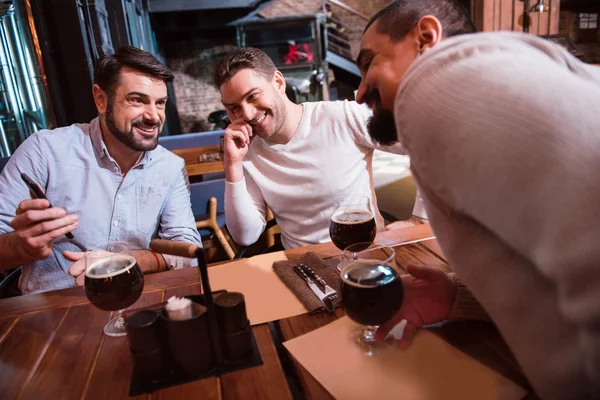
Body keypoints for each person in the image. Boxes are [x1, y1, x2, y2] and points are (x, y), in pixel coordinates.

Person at [357, 1, 600, 399]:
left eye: (369, 63)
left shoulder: (436, 82)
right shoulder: (503, 74)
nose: (361, 88)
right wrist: (461, 297)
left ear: (426, 38)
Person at [0, 46, 202, 294]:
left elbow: (188, 251)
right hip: (54, 309)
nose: (153, 116)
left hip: (135, 298)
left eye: (160, 103)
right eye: (137, 100)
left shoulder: (170, 167)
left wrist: (128, 260)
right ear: (101, 99)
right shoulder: (45, 150)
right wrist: (23, 247)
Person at [213, 47, 426, 250]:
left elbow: (427, 145)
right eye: (234, 109)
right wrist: (232, 164)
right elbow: (246, 236)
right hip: (302, 267)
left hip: (364, 253)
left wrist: (421, 218)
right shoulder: (246, 151)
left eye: (252, 97)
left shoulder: (342, 116)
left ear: (278, 82)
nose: (247, 114)